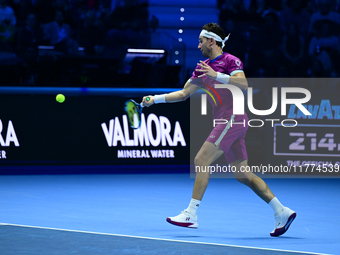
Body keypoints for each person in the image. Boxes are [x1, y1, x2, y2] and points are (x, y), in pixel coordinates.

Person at [141, 22, 296, 237]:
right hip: (227, 121)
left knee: (201, 160)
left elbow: (243, 84)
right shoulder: (202, 67)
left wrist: (216, 76)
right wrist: (154, 99)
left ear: (211, 41)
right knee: (243, 175)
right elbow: (184, 94)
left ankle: (191, 214)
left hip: (233, 118)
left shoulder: (231, 60)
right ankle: (282, 211)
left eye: (201, 41)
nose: (198, 46)